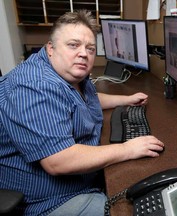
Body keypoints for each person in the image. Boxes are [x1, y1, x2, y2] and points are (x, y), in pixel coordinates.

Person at [0, 10, 164, 216]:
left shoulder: (66, 73)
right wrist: (128, 149)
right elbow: (59, 160)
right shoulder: (36, 86)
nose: (84, 53)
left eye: (90, 48)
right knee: (126, 211)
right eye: (73, 45)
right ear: (50, 48)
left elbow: (87, 98)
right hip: (46, 199)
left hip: (75, 180)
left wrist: (126, 100)